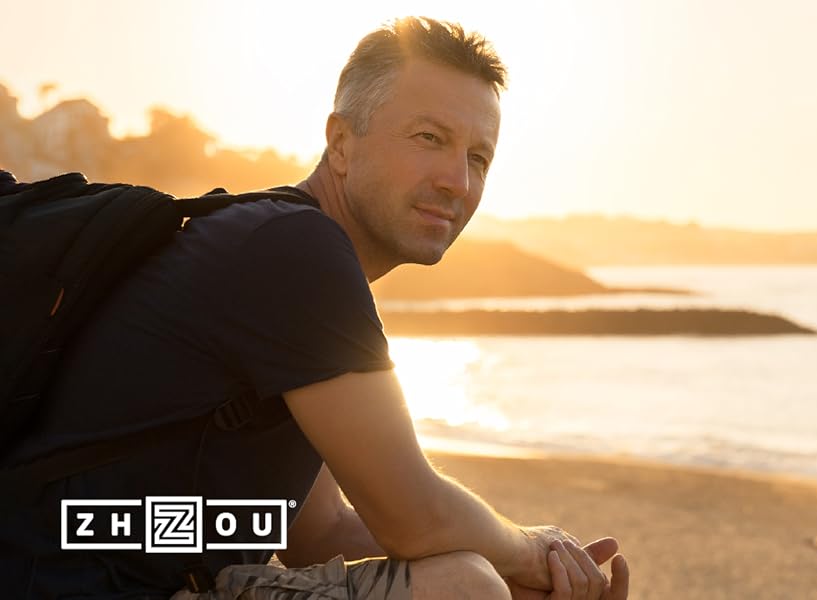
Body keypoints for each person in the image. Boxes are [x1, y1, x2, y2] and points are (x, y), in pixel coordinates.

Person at [0, 16, 628, 600]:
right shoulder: (292, 249)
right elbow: (412, 517)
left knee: (472, 576)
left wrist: (527, 577)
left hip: (98, 555)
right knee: (463, 586)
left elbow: (320, 532)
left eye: (477, 158)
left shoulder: (278, 253)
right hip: (64, 577)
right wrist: (533, 548)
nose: (457, 181)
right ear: (340, 143)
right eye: (429, 138)